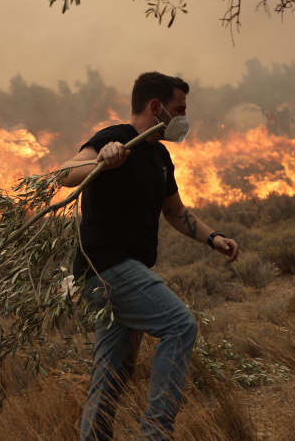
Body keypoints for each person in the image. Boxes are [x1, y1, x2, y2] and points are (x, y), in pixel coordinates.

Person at [61, 72, 240, 441]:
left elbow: (174, 212)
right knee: (179, 325)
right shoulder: (115, 137)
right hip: (107, 266)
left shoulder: (159, 155)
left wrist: (214, 238)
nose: (184, 118)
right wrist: (103, 159)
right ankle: (157, 433)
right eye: (180, 109)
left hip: (122, 270)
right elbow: (67, 173)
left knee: (113, 370)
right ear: (156, 107)